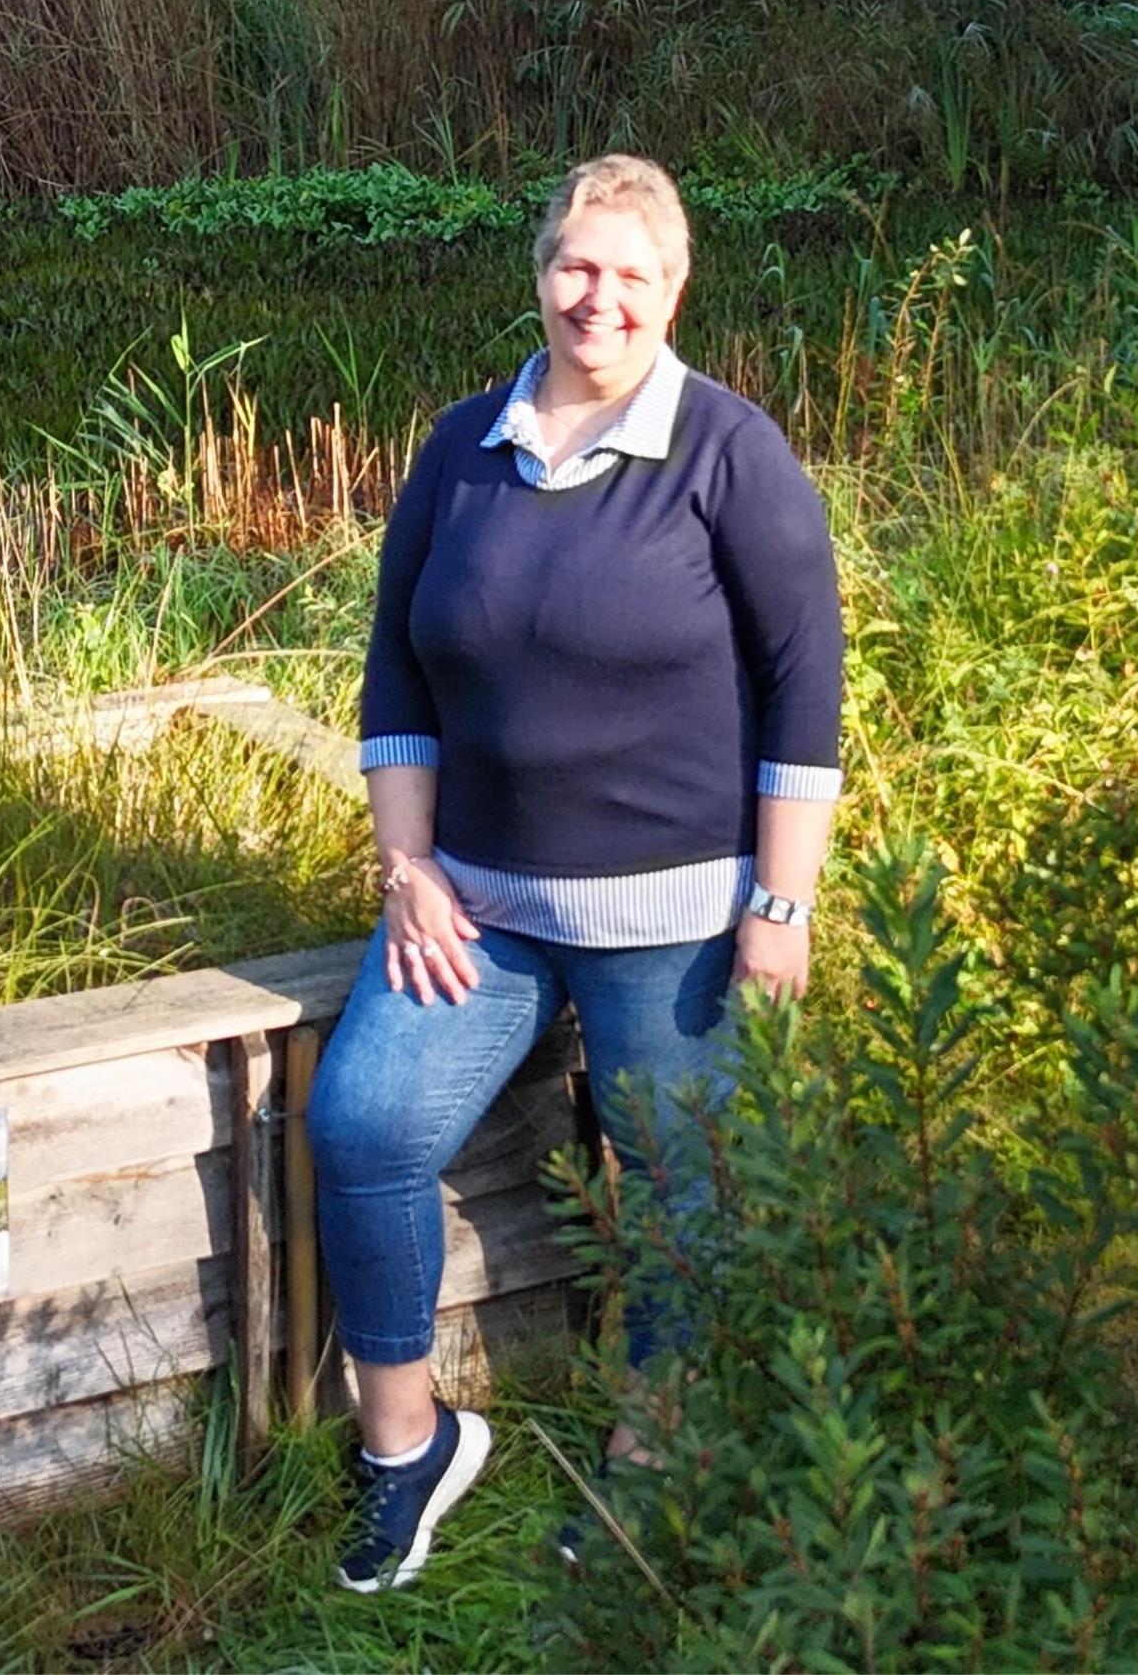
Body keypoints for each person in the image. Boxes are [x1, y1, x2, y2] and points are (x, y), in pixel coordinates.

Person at [307, 151, 844, 1593]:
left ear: (674, 292)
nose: (598, 299)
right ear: (540, 270)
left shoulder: (729, 452)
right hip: (480, 904)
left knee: (678, 1190)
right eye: (576, 267)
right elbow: (396, 671)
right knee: (362, 1125)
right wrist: (404, 864)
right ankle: (407, 1446)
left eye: (633, 275)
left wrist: (782, 906)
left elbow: (805, 682)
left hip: (680, 921)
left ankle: (657, 1466)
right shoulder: (459, 446)